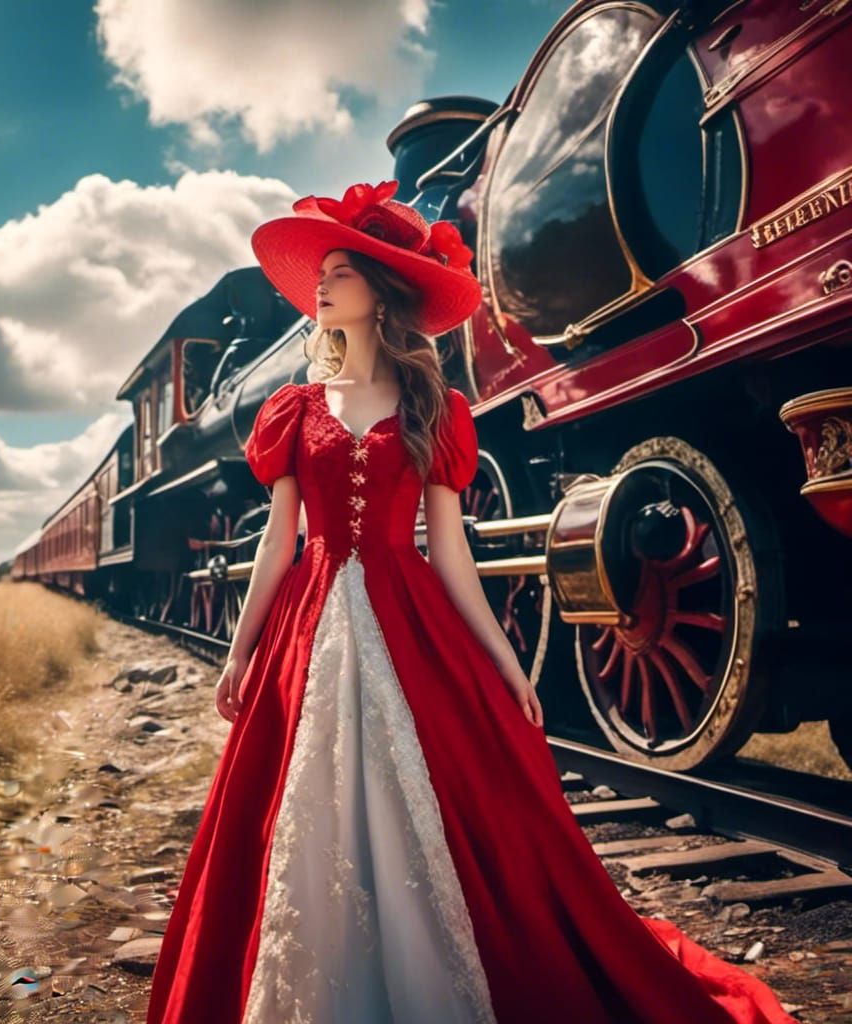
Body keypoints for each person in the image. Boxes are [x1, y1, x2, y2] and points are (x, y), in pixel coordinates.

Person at [145, 180, 798, 1023]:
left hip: (408, 611)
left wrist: (503, 661)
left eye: (342, 272)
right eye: (324, 275)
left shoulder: (436, 407)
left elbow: (450, 552)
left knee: (445, 788)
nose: (323, 286)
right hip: (308, 619)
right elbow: (281, 542)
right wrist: (240, 651)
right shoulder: (292, 408)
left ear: (382, 294)